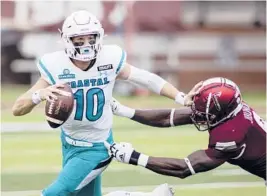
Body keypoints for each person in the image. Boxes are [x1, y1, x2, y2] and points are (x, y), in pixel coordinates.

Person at [12, 10, 198, 196]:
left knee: (54, 194)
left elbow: (146, 79)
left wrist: (180, 97)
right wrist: (39, 95)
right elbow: (17, 109)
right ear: (66, 39)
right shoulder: (55, 65)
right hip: (69, 143)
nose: (85, 45)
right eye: (79, 40)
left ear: (99, 37)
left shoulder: (109, 59)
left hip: (96, 147)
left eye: (90, 38)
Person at [107, 77, 266, 181]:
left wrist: (134, 157)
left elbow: (185, 168)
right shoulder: (228, 110)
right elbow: (168, 118)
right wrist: (123, 110)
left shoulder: (231, 135)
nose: (196, 113)